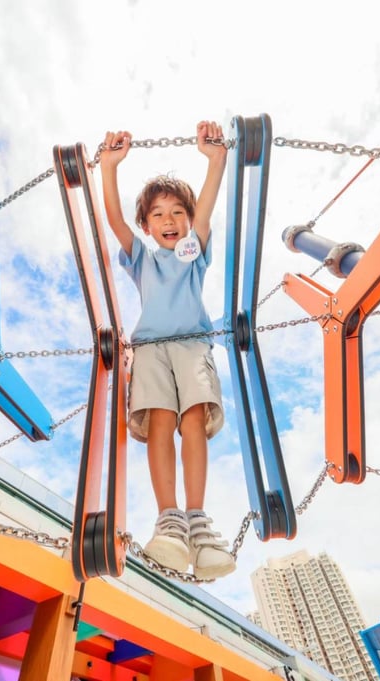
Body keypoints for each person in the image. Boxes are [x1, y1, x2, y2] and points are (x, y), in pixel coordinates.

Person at [99, 120, 235, 580]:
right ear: (147, 225)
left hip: (193, 345)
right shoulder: (141, 257)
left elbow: (206, 212)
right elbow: (115, 221)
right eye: (158, 214)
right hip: (152, 348)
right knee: (161, 419)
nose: (170, 221)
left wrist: (215, 161)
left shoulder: (191, 251)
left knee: (193, 416)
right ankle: (170, 519)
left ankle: (197, 520)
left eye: (177, 212)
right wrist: (109, 168)